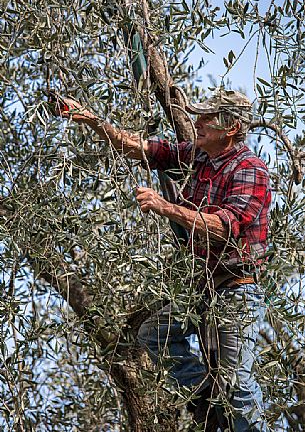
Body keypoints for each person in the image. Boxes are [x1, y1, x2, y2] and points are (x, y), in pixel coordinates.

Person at [56, 88, 271, 431]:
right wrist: (88, 117)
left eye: (207, 117)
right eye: (198, 115)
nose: (197, 122)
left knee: (239, 387)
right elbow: (142, 148)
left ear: (231, 127)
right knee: (155, 335)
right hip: (201, 288)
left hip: (236, 289)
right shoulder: (199, 157)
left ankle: (229, 409)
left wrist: (164, 206)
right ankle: (205, 398)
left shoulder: (250, 170)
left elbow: (223, 229)